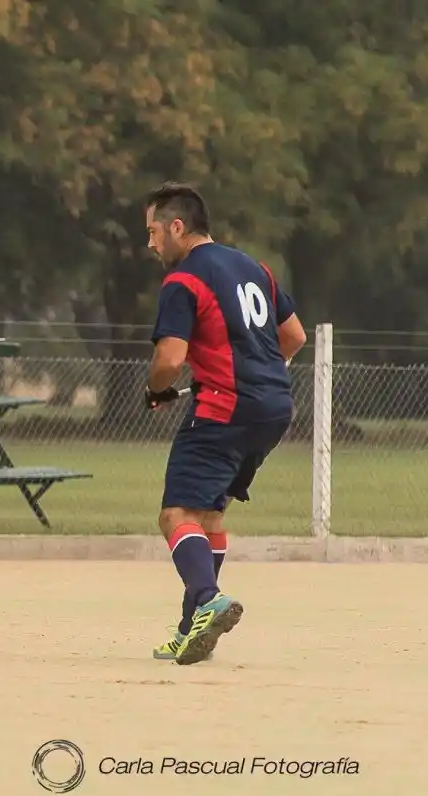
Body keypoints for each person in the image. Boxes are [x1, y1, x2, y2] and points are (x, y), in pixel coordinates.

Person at [143, 182, 306, 665]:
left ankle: (208, 599)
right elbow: (293, 336)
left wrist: (155, 389)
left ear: (177, 227)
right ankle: (190, 628)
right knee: (209, 516)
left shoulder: (183, 280)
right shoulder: (253, 268)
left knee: (175, 515)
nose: (150, 244)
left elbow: (170, 360)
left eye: (153, 232)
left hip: (223, 409)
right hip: (273, 407)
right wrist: (256, 371)